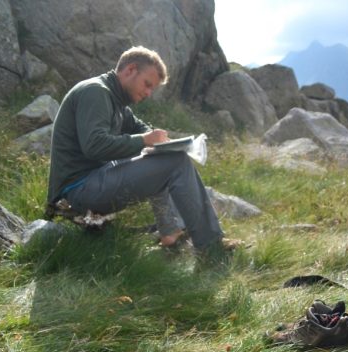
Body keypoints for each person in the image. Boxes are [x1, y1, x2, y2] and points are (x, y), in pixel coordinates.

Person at [47, 46, 233, 257]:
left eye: (152, 89)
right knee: (176, 163)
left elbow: (140, 128)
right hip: (77, 190)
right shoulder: (95, 92)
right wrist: (145, 141)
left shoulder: (117, 103)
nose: (148, 93)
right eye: (147, 84)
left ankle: (170, 233)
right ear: (130, 70)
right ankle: (211, 247)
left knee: (163, 156)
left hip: (92, 180)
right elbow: (94, 146)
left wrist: (163, 142)